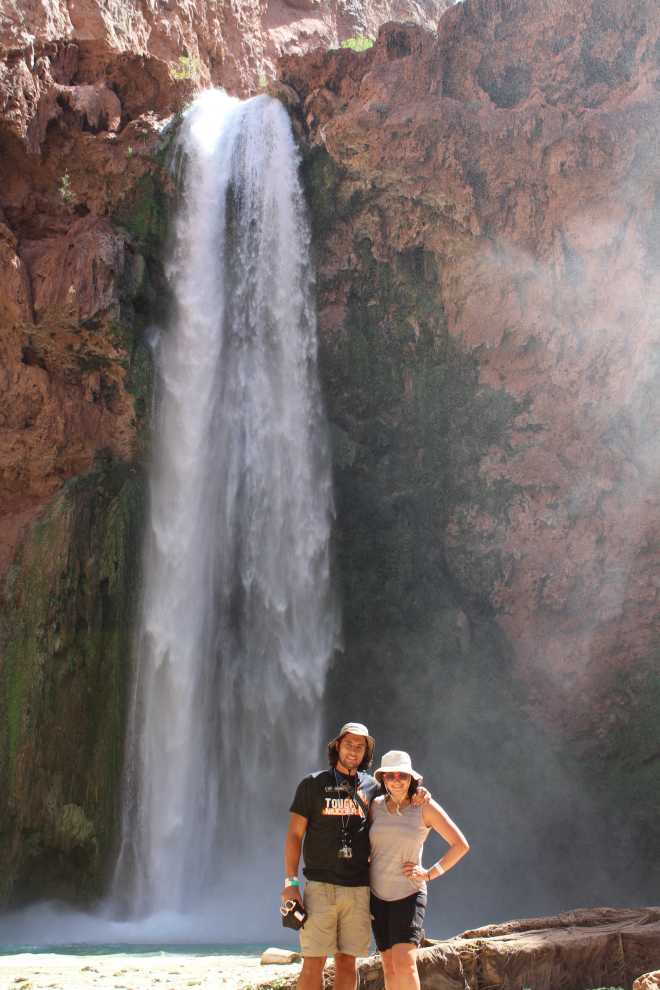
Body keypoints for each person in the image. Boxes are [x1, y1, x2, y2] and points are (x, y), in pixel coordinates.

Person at [282, 722, 429, 990]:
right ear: (337, 745)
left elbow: (400, 797)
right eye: (348, 743)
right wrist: (290, 884)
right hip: (319, 887)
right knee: (313, 962)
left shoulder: (373, 787)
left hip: (358, 889)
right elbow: (294, 836)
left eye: (360, 746)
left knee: (347, 963)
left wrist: (420, 792)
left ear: (366, 752)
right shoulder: (312, 784)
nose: (353, 750)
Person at [369, 750, 470, 990]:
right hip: (377, 896)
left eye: (402, 775)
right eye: (390, 775)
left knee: (406, 964)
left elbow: (460, 845)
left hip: (409, 894)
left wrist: (429, 873)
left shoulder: (424, 807)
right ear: (383, 779)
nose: (396, 780)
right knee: (389, 966)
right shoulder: (374, 806)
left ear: (411, 778)